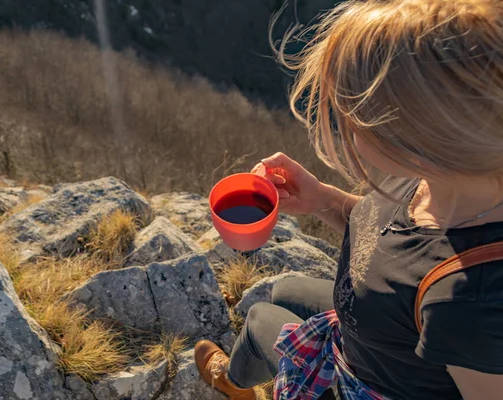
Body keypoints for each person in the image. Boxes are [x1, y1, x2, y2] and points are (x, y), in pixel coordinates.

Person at [194, 0, 503, 399]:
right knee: (284, 289)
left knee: (258, 318)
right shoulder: (450, 179)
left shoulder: (471, 301)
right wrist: (324, 199)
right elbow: (403, 244)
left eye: (354, 112)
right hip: (370, 332)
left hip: (361, 384)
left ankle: (232, 384)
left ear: (419, 134)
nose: (345, 122)